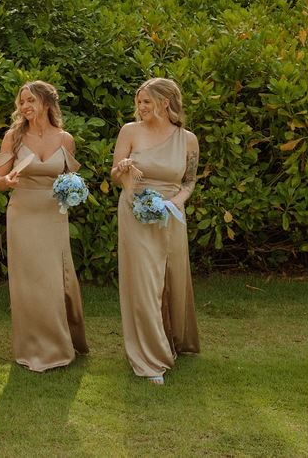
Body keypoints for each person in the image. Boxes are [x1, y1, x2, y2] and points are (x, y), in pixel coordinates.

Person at [0, 80, 88, 372]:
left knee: (53, 281)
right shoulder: (13, 137)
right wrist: (6, 182)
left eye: (30, 101)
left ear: (46, 103)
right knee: (27, 284)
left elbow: (71, 179)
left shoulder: (65, 139)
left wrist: (74, 191)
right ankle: (31, 347)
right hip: (22, 212)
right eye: (21, 102)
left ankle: (60, 346)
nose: (25, 107)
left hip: (53, 215)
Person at [111, 77, 200, 385]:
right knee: (145, 283)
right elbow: (113, 174)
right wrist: (122, 169)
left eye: (146, 101)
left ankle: (174, 338)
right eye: (139, 102)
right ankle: (151, 359)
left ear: (166, 102)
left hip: (171, 213)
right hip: (135, 210)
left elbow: (189, 182)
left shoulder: (188, 139)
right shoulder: (129, 131)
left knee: (172, 278)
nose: (141, 107)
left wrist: (173, 203)